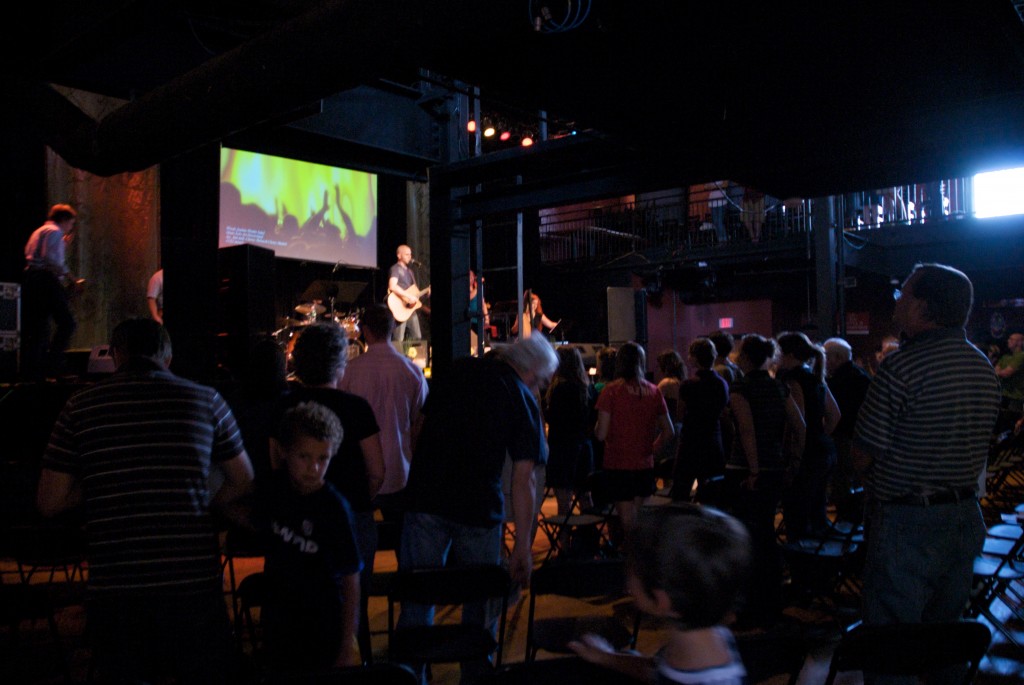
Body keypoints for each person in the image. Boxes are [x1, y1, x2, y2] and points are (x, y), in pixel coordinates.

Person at [36, 317, 254, 684]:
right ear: (167, 357)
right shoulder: (206, 400)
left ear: (115, 356)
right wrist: (198, 495)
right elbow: (244, 480)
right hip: (191, 582)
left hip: (116, 584)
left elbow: (49, 502)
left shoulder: (79, 407)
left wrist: (105, 481)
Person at [853, 264, 1000, 684]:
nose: (896, 301)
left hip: (907, 521)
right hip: (963, 515)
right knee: (944, 639)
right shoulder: (981, 365)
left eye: (903, 293)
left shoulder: (902, 367)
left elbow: (862, 454)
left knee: (891, 644)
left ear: (923, 307)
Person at [397, 334, 558, 683]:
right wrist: (522, 547)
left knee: (418, 595)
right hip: (479, 508)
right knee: (481, 600)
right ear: (531, 371)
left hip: (426, 499)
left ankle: (410, 674)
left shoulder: (458, 371)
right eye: (542, 381)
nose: (540, 388)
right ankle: (475, 674)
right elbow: (525, 479)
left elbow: (418, 428)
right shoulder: (520, 397)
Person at [281, 321, 385, 662]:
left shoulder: (284, 407)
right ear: (341, 363)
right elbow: (377, 471)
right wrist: (359, 503)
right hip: (353, 517)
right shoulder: (357, 408)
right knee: (354, 603)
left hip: (294, 521)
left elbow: (274, 467)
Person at [569, 504, 751, 685]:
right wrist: (607, 657)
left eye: (631, 569)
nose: (627, 581)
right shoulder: (706, 636)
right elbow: (657, 671)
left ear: (662, 600)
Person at [258, 401, 361, 674]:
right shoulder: (275, 488)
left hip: (322, 622)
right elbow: (254, 516)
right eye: (304, 457)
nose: (313, 468)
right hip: (279, 617)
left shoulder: (334, 509)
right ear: (284, 451)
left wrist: (346, 645)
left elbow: (350, 578)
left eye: (322, 458)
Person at [724, 334, 805, 629]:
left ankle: (751, 604)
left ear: (745, 357)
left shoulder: (741, 387)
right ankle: (772, 599)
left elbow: (746, 431)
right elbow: (800, 426)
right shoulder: (778, 386)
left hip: (745, 469)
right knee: (766, 533)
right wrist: (793, 462)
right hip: (775, 467)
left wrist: (753, 471)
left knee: (747, 536)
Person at [595, 342, 675, 535]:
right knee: (640, 519)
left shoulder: (611, 391)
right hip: (644, 464)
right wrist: (652, 448)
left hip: (618, 463)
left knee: (627, 521)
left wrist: (596, 426)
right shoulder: (654, 391)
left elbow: (601, 433)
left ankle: (632, 552)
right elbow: (669, 431)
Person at [776, 331, 840, 542]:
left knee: (798, 515)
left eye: (779, 353)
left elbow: (797, 423)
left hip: (806, 454)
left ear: (789, 355)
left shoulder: (791, 380)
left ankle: (799, 556)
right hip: (824, 450)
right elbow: (834, 415)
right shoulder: (816, 377)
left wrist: (795, 457)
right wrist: (819, 436)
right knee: (817, 509)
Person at [21, 203, 82, 380]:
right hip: (45, 279)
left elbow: (40, 255)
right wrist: (73, 279)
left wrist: (63, 245)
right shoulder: (54, 232)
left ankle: (34, 371)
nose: (70, 227)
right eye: (71, 223)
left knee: (40, 326)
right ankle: (54, 365)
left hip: (33, 279)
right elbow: (53, 261)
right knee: (67, 323)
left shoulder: (39, 231)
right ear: (64, 219)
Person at [543, 346, 597, 541]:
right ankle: (589, 540)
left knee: (564, 501)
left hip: (562, 448)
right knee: (585, 497)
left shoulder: (559, 388)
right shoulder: (588, 388)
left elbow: (552, 418)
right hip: (584, 447)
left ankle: (564, 545)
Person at [670, 338, 729, 503]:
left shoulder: (688, 385)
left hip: (690, 442)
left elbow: (680, 415)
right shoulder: (721, 384)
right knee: (710, 496)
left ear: (695, 358)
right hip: (713, 441)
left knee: (681, 492)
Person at [823, 337, 871, 521]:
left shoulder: (840, 381)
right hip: (859, 436)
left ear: (838, 357)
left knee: (841, 479)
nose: (824, 361)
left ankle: (845, 517)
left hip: (844, 437)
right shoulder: (861, 376)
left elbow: (836, 413)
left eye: (827, 357)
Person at [388, 244, 428, 342]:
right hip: (400, 307)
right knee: (398, 339)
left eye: (410, 254)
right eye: (407, 254)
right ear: (399, 255)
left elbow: (415, 294)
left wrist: (426, 292)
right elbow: (392, 286)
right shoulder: (395, 268)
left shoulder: (410, 271)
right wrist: (408, 296)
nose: (410, 257)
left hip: (410, 309)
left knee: (417, 338)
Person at [995, 331, 1024, 413]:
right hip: (1003, 395)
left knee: (1011, 418)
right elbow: (995, 372)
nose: (1008, 341)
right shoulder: (1005, 357)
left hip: (1016, 397)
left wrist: (1000, 372)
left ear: (1019, 343)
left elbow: (1006, 373)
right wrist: (1001, 372)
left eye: (1011, 339)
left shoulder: (1021, 356)